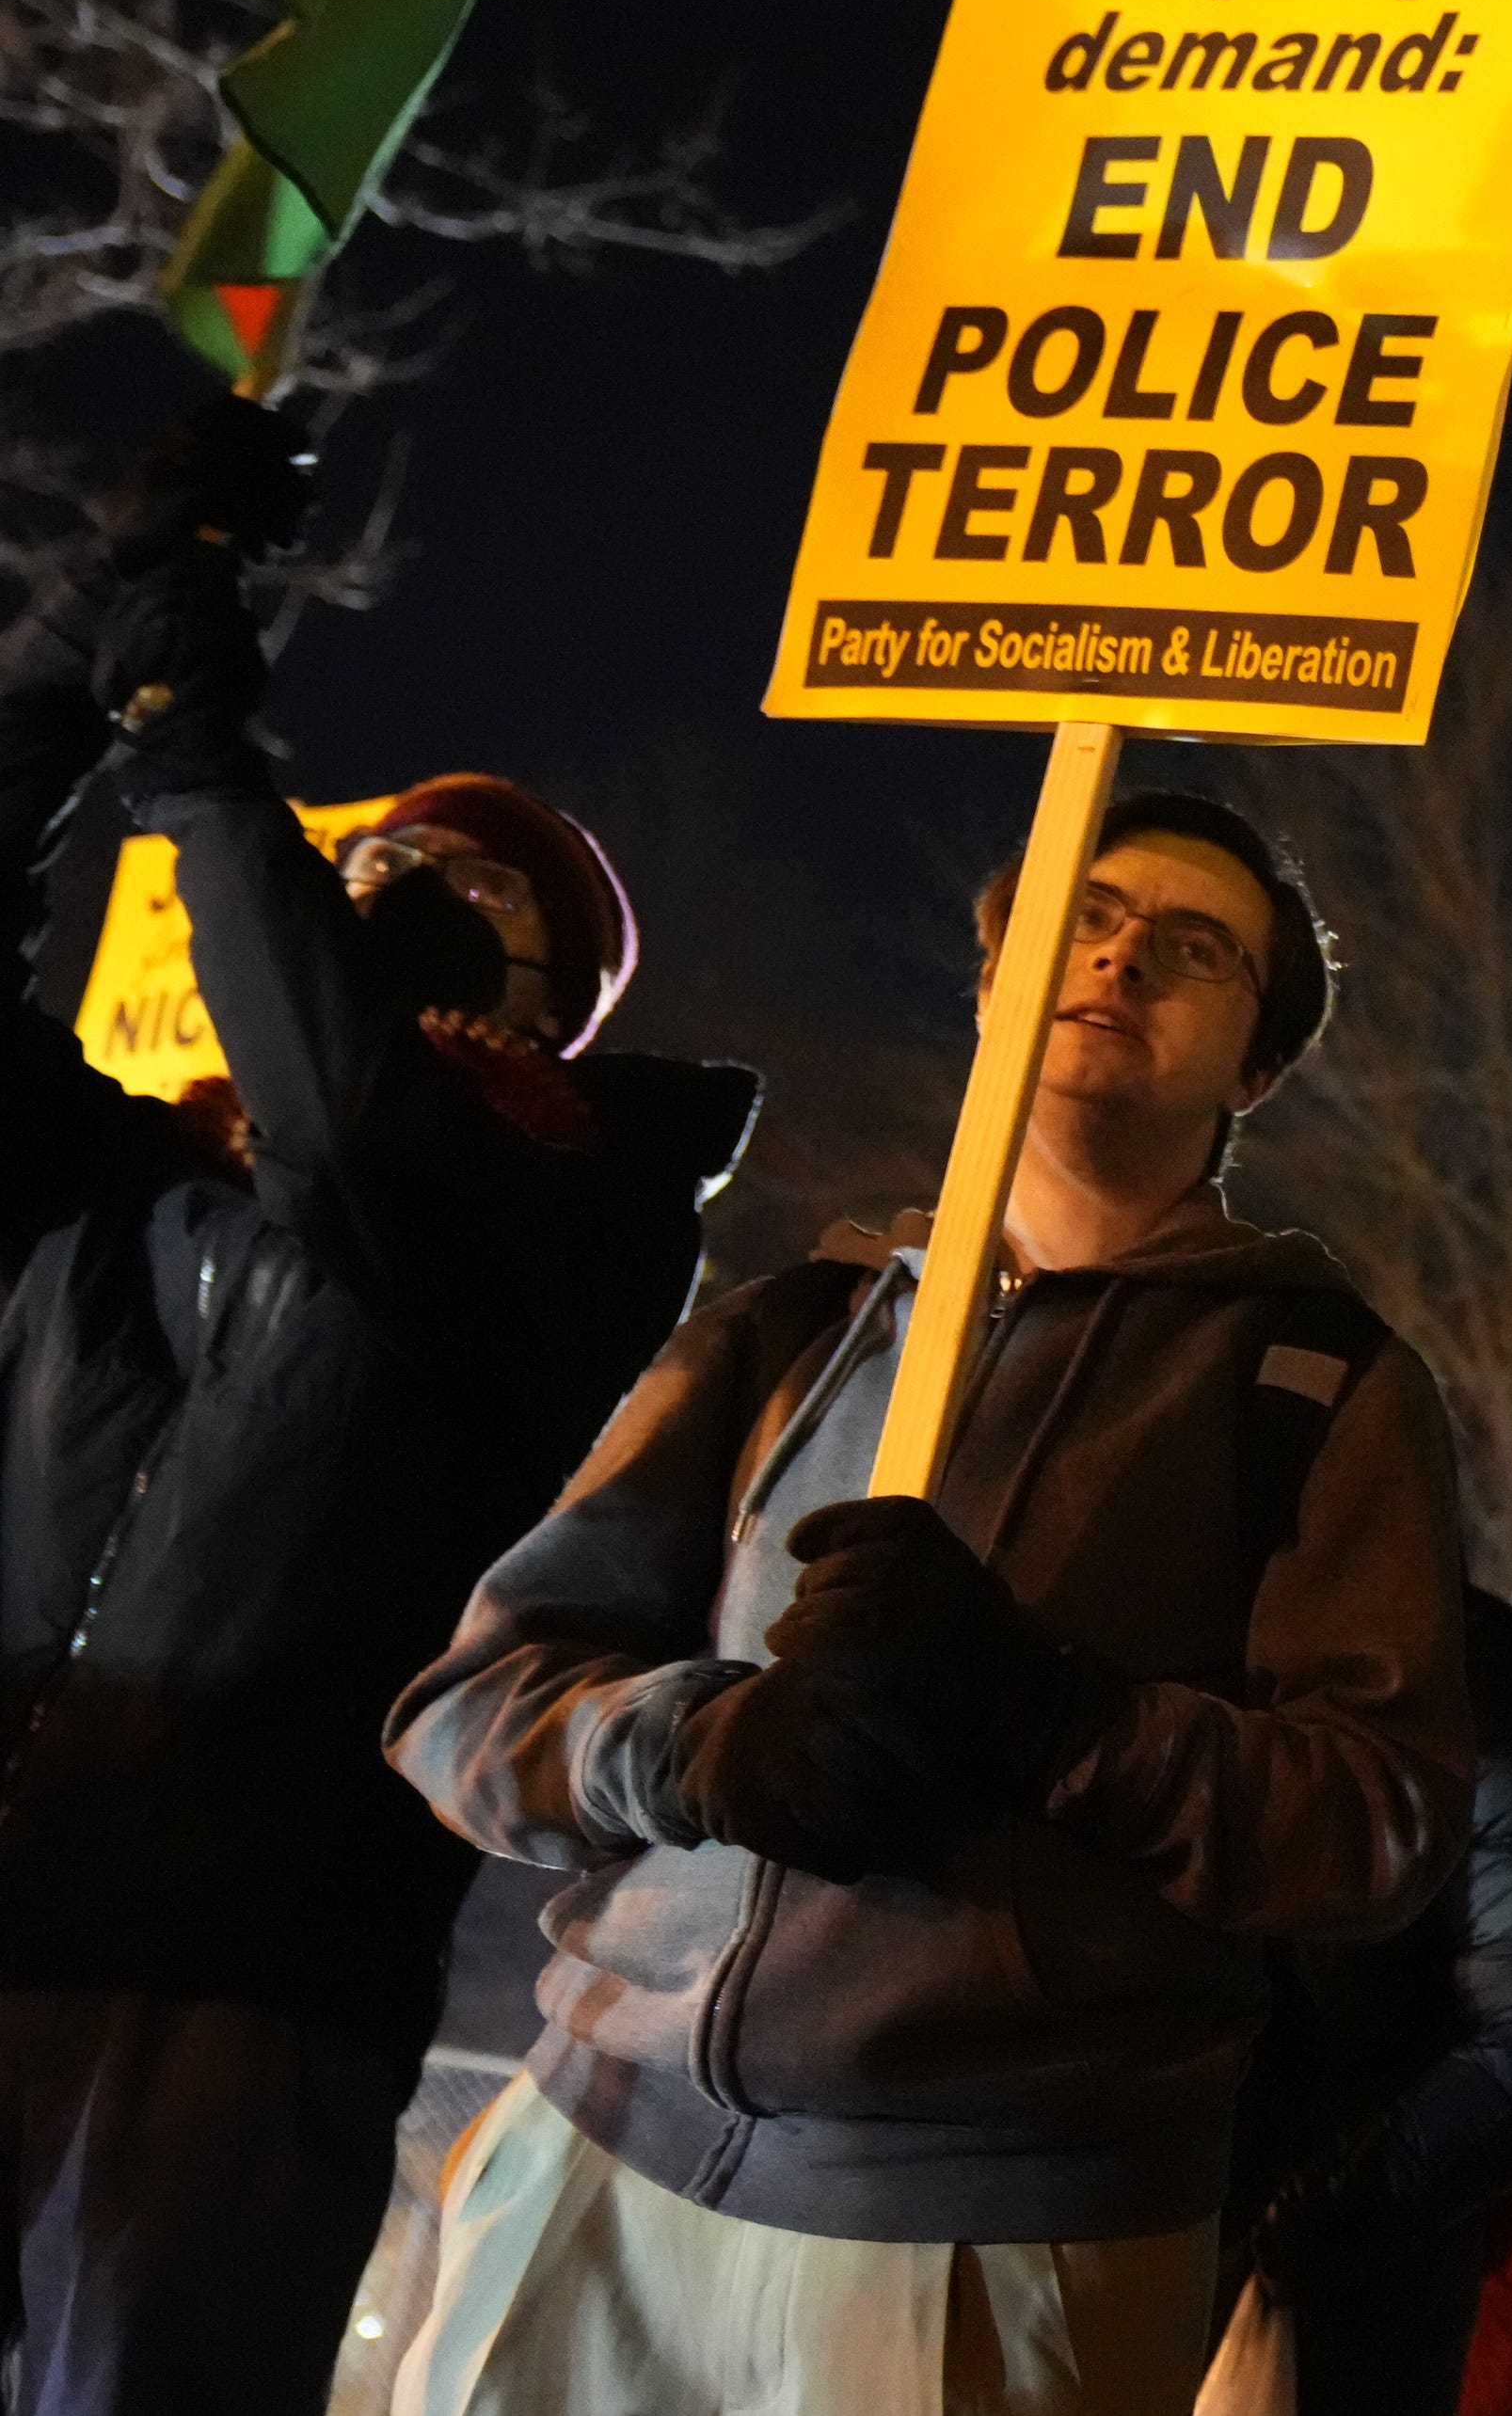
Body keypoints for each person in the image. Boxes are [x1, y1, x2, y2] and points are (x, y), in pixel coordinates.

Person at [383, 792, 1475, 2416]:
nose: (1117, 956)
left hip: (998, 2229)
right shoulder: (791, 1326)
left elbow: (1374, 1828)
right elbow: (470, 1705)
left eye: (1192, 949)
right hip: (595, 2157)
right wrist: (692, 1746)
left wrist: (1052, 1710)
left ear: (1257, 1068)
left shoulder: (1317, 1382)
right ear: (993, 976)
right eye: (1082, 914)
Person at [0, 399, 754, 2416]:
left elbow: (357, 1138)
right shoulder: (151, 1187)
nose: (387, 892)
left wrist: (193, 757)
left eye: (441, 889)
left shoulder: (540, 1225)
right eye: (377, 864)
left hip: (244, 1984)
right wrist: (82, 652)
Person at [1219, 1590, 1512, 2416]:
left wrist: (1325, 2212)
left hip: (1340, 2280)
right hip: (1251, 2234)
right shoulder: (1299, 1695)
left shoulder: (1484, 1737)